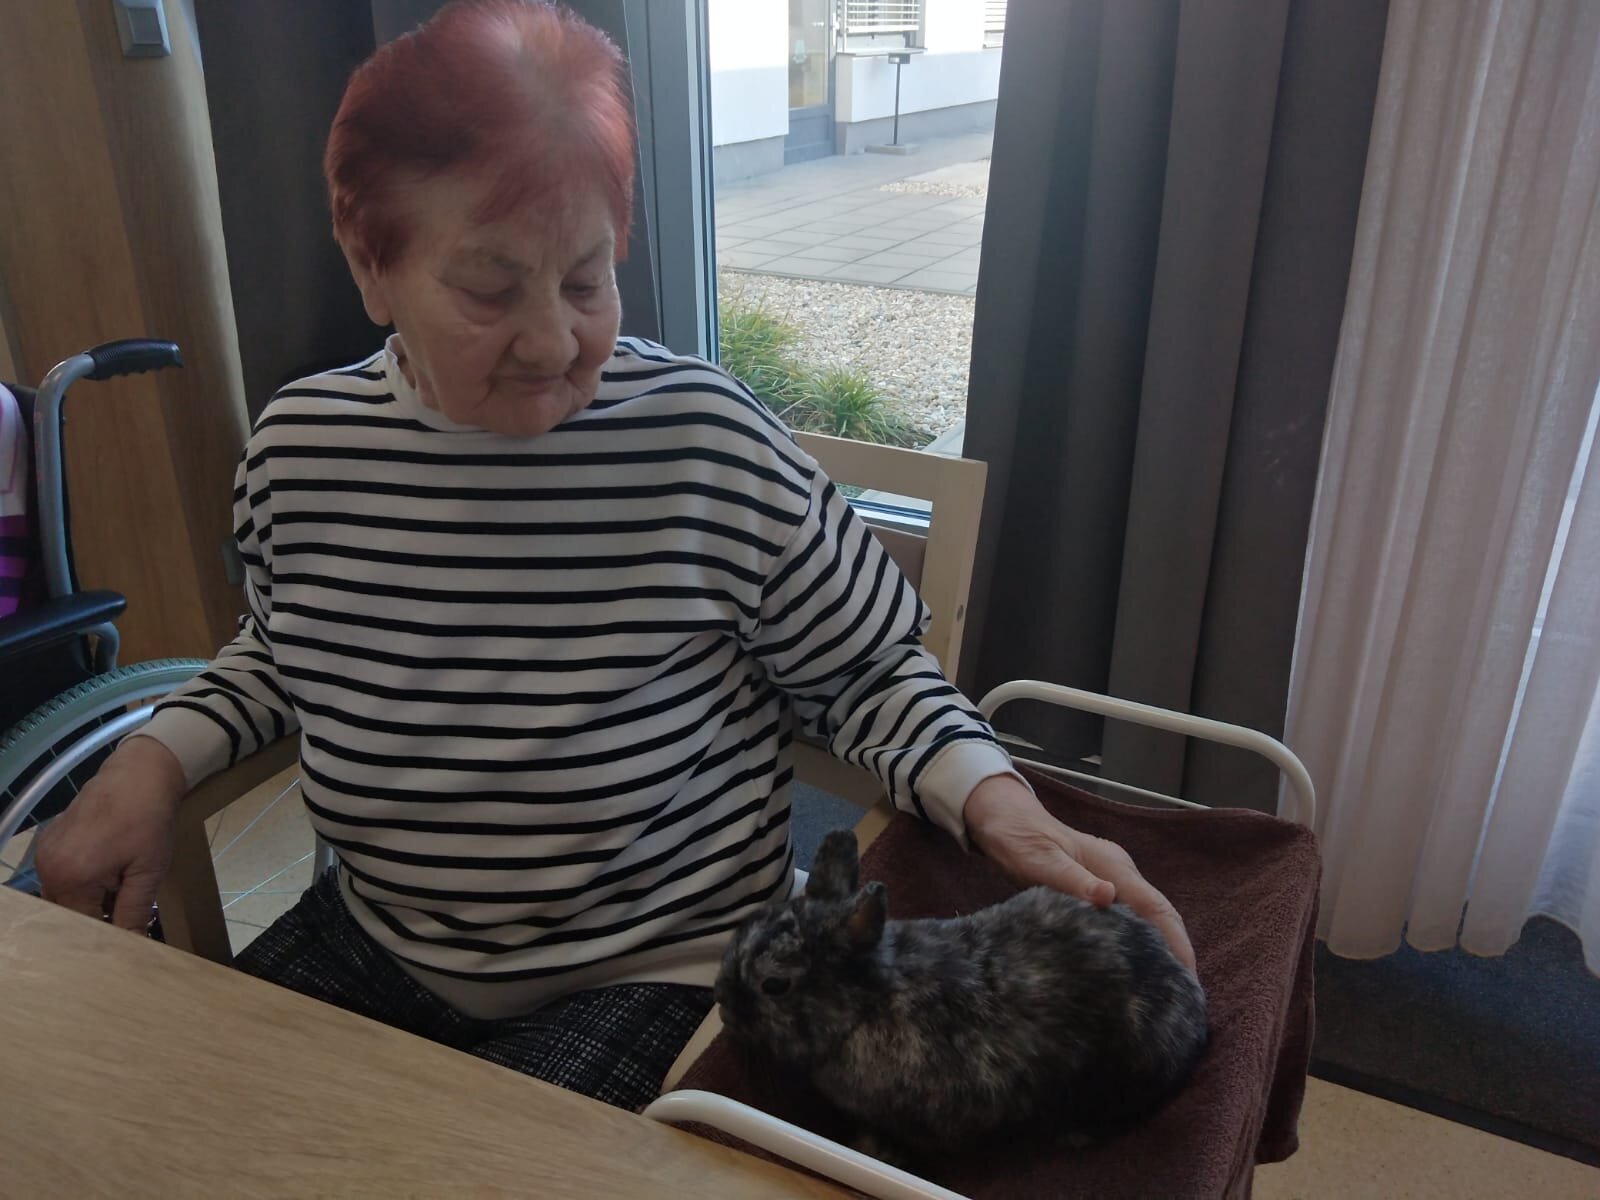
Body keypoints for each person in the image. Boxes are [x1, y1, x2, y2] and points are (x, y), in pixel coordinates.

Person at [34, 0, 1191, 1112]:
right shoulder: (299, 451)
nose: (552, 340)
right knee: (165, 1132)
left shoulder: (706, 445)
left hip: (657, 970)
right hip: (376, 941)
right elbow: (286, 649)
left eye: (586, 280)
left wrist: (1002, 804)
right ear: (368, 262)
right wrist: (151, 760)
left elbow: (868, 672)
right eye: (490, 287)